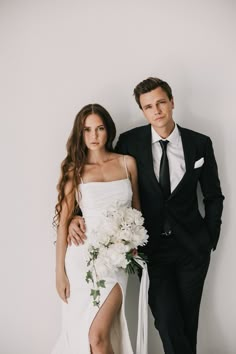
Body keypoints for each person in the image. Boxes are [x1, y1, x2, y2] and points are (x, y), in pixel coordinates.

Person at [68, 78, 224, 354]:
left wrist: (209, 239)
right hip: (152, 250)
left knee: (188, 323)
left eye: (161, 102)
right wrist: (75, 216)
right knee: (166, 320)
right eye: (149, 106)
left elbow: (213, 197)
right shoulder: (130, 142)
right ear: (143, 111)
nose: (157, 111)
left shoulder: (199, 143)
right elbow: (104, 180)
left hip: (193, 249)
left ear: (172, 102)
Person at [51, 103, 149, 354]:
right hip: (81, 259)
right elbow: (63, 224)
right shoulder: (75, 171)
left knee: (98, 333)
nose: (94, 136)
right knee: (89, 337)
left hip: (116, 260)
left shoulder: (128, 163)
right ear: (80, 134)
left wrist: (133, 242)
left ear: (109, 131)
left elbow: (137, 211)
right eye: (87, 130)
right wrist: (59, 272)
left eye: (100, 128)